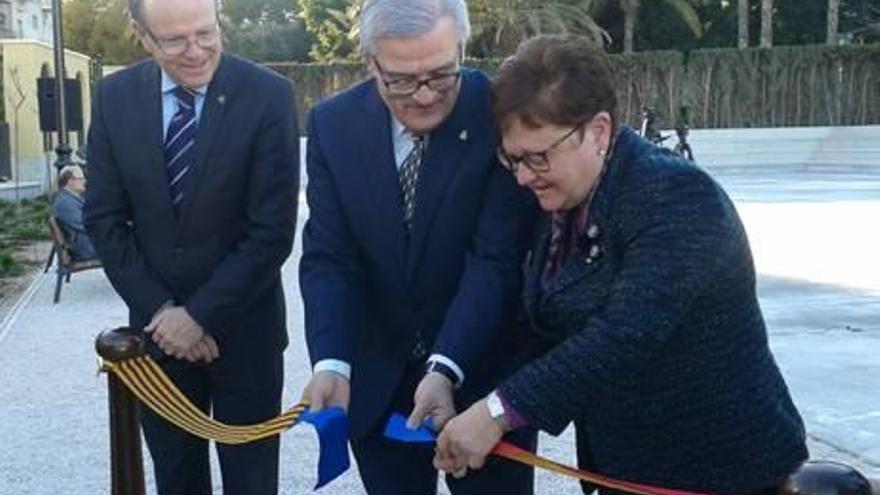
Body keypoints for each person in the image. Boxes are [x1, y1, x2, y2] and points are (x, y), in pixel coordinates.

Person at [434, 34, 809, 495]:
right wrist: (449, 377)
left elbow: (625, 334)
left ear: (598, 131)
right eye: (512, 159)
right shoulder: (556, 201)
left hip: (722, 470)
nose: (524, 176)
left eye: (538, 157)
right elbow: (541, 325)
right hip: (624, 469)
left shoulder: (676, 197)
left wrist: (498, 411)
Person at [299, 0, 536, 493]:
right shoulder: (332, 126)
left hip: (479, 378)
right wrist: (332, 362)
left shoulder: (501, 115)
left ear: (462, 49)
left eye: (441, 74)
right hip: (377, 382)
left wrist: (446, 366)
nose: (426, 95)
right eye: (402, 80)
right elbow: (330, 256)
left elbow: (494, 259)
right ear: (371, 64)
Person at [83, 0, 299, 493]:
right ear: (142, 35)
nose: (196, 51)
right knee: (176, 481)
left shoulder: (269, 96)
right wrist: (163, 312)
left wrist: (198, 316)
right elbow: (105, 217)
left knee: (252, 482)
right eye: (175, 40)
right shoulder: (114, 97)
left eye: (206, 32)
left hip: (246, 335)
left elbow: (271, 231)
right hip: (156, 341)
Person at [52, 165, 97, 261]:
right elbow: (84, 225)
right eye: (81, 179)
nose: (84, 181)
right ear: (70, 181)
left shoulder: (71, 197)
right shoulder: (64, 202)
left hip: (90, 243)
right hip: (87, 248)